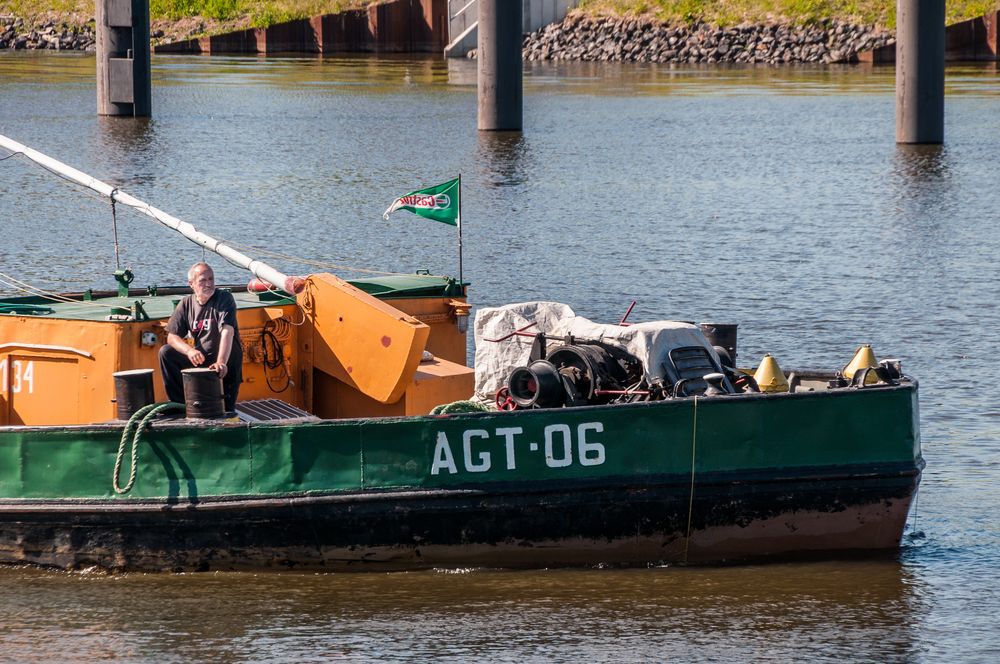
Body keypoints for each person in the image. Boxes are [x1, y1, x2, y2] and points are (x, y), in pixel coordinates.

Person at [159, 262, 243, 413]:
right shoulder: (186, 304)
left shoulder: (224, 298)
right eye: (203, 280)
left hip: (225, 364)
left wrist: (221, 362)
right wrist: (189, 351)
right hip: (201, 360)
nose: (208, 284)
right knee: (166, 352)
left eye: (211, 279)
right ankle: (178, 404)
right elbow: (172, 337)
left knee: (225, 412)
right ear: (191, 284)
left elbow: (227, 331)